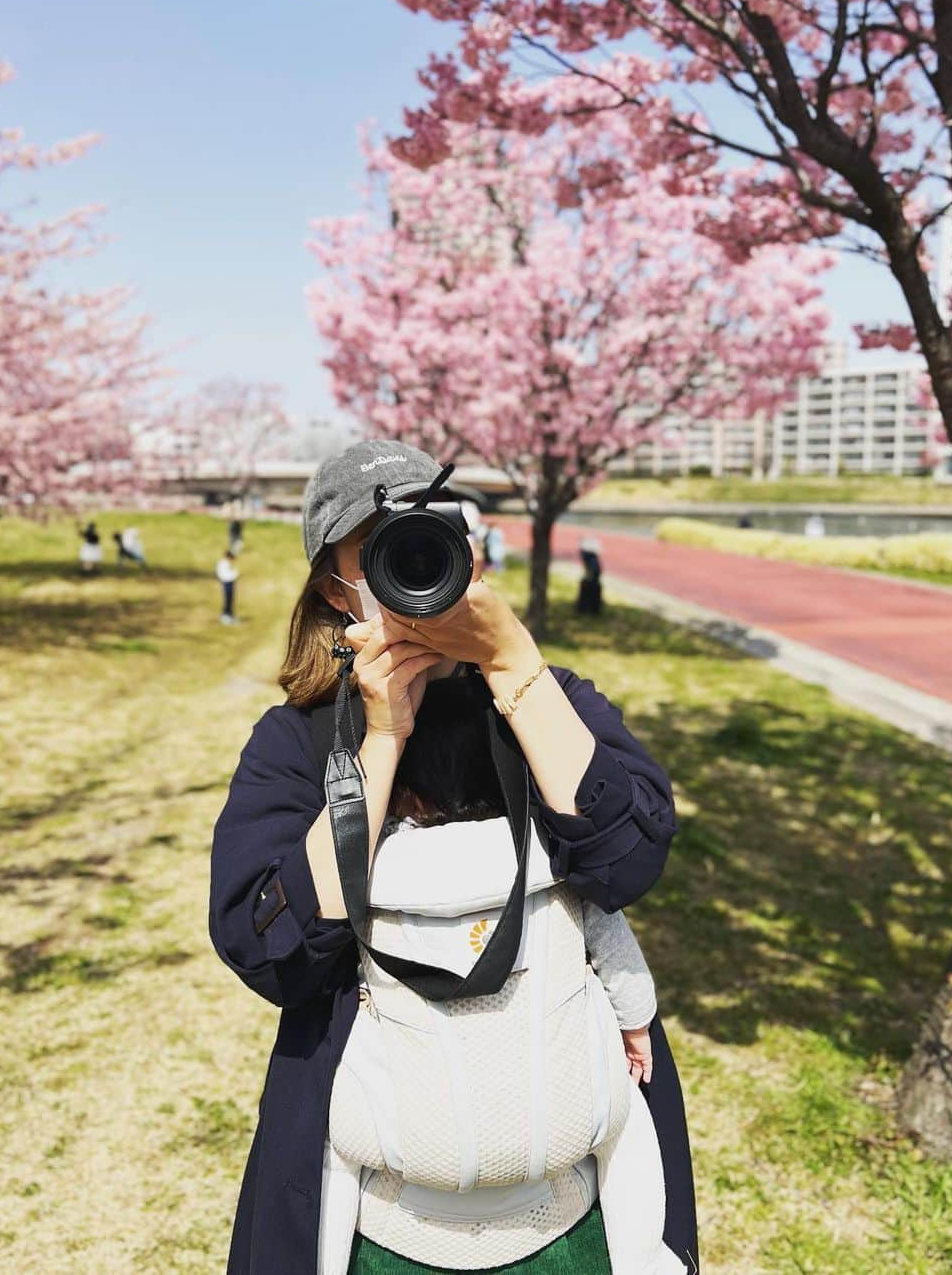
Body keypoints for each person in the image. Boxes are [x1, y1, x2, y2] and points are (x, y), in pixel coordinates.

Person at [208, 438, 699, 1275]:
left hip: (572, 1217)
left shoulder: (546, 699)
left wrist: (513, 665)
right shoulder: (296, 740)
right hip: (379, 1227)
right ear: (336, 586)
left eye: (431, 537)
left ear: (471, 551)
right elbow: (270, 951)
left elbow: (630, 861)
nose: (414, 568)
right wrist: (379, 741)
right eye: (381, 552)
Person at [321, 673, 683, 1274]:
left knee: (330, 1155)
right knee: (633, 1131)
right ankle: (647, 1257)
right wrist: (637, 1022)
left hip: (403, 1213)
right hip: (554, 1202)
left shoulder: (366, 878)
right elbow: (616, 952)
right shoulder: (561, 867)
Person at [577, 536, 603, 616]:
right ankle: (587, 609)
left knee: (590, 589)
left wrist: (588, 579)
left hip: (592, 582)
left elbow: (594, 571)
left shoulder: (591, 559)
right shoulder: (591, 559)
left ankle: (588, 609)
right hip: (592, 579)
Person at [216, 550, 239, 624]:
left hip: (229, 582)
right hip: (227, 582)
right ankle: (226, 616)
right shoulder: (223, 563)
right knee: (227, 599)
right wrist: (234, 575)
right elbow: (223, 574)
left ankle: (230, 615)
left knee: (230, 599)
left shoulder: (226, 563)